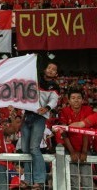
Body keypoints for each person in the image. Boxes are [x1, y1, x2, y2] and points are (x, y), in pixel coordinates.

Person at [20, 61, 60, 190]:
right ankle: (27, 179)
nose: (50, 70)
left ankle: (39, 180)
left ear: (56, 74)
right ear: (44, 69)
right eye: (49, 67)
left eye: (53, 69)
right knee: (25, 150)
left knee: (34, 148)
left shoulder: (55, 86)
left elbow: (54, 100)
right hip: (27, 116)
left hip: (39, 118)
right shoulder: (33, 78)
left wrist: (47, 108)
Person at [59, 87, 94, 190]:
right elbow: (64, 133)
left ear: (82, 100)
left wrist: (84, 151)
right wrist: (72, 151)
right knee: (73, 181)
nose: (76, 100)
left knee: (87, 180)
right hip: (70, 149)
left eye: (79, 98)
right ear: (69, 100)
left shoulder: (88, 109)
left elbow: (86, 131)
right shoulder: (64, 111)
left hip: (85, 149)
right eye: (73, 98)